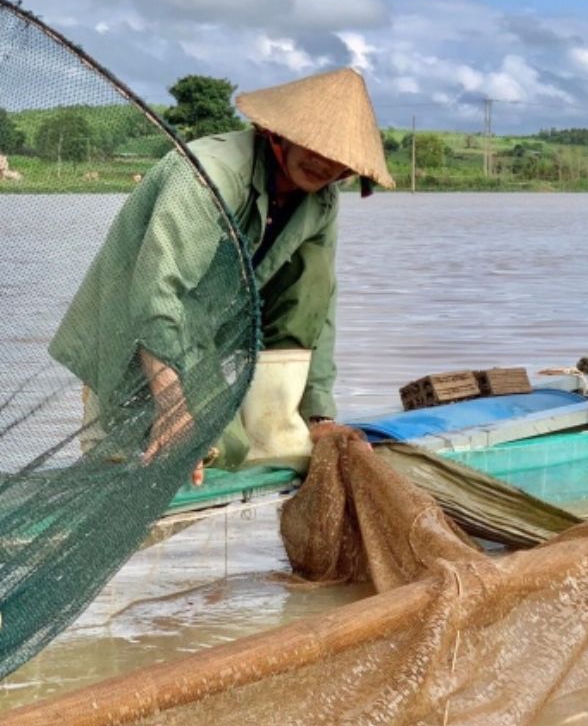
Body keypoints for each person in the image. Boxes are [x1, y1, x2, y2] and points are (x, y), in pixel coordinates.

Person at [51, 67, 394, 479]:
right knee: (207, 452)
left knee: (314, 277)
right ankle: (127, 419)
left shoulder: (320, 202)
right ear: (277, 133)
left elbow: (321, 305)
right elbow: (157, 292)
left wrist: (319, 415)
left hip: (205, 330)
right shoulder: (211, 172)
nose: (324, 162)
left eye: (339, 155)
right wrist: (175, 408)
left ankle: (275, 424)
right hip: (136, 328)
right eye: (314, 144)